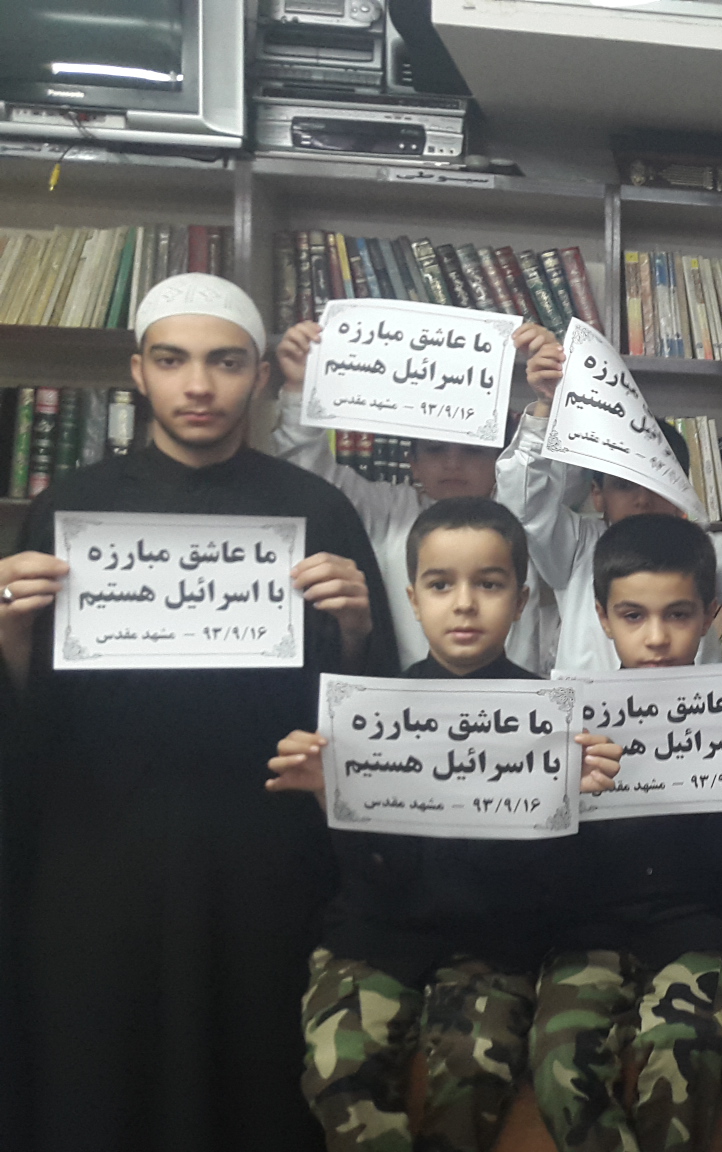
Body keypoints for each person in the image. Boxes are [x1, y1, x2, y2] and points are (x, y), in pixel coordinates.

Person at [0, 272, 399, 1151]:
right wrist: (11, 638)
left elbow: (365, 718)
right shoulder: (68, 510)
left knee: (259, 1081)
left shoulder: (317, 509)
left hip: (263, 860)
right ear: (137, 372)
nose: (198, 385)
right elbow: (30, 721)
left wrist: (357, 629)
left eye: (224, 362)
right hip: (101, 856)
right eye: (172, 360)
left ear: (258, 376)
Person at [266, 497, 626, 1152]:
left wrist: (573, 800)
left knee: (473, 1069)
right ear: (412, 599)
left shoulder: (555, 720)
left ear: (520, 600)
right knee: (337, 1070)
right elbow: (366, 868)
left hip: (496, 945)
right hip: (375, 936)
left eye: (488, 585)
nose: (464, 605)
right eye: (440, 585)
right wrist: (328, 792)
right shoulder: (369, 713)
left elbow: (557, 885)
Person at [528, 513, 722, 1152]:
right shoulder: (562, 726)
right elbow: (543, 876)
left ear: (711, 614)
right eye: (633, 616)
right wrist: (556, 796)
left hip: (701, 933)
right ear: (603, 617)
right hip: (589, 937)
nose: (657, 637)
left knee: (683, 1054)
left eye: (678, 615)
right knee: (560, 1060)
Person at [270, 318, 567, 671]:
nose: (453, 463)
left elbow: (543, 470)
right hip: (405, 696)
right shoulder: (389, 511)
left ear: (499, 457)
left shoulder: (526, 512)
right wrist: (299, 388)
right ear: (412, 462)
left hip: (513, 697)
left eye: (473, 450)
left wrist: (549, 387)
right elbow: (308, 474)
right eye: (435, 449)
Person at [496, 368, 722, 672]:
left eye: (659, 486)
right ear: (598, 494)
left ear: (683, 491)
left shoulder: (703, 550)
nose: (643, 500)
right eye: (624, 486)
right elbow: (523, 507)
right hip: (589, 702)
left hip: (691, 700)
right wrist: (545, 409)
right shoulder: (575, 546)